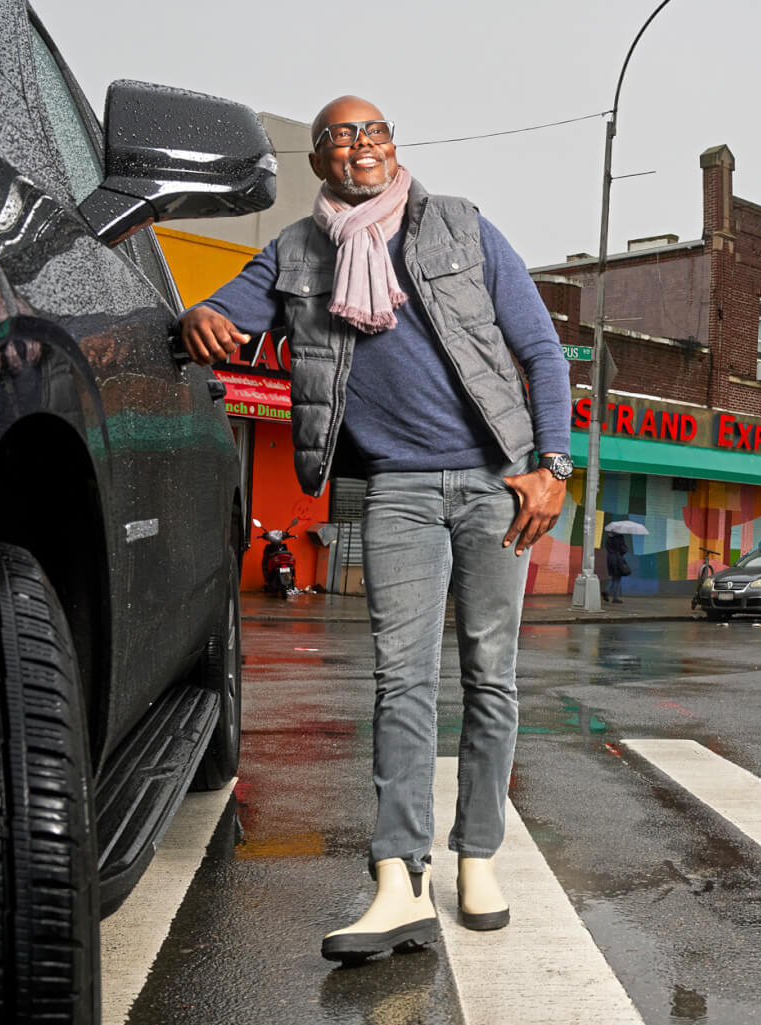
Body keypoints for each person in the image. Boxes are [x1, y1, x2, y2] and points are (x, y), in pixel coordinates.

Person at [179, 96, 573, 963]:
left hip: (494, 484)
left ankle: (478, 857)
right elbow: (221, 313)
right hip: (393, 490)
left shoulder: (461, 226)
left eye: (375, 131)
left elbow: (543, 351)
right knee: (400, 683)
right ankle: (399, 878)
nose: (360, 146)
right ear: (319, 162)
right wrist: (199, 319)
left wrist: (553, 467)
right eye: (340, 137)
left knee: (490, 676)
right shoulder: (296, 250)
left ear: (395, 145)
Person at [605, 531, 629, 603]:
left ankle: (606, 592)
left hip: (610, 558)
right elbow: (624, 550)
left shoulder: (608, 538)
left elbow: (607, 548)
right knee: (617, 579)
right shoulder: (620, 538)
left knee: (614, 577)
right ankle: (614, 597)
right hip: (618, 559)